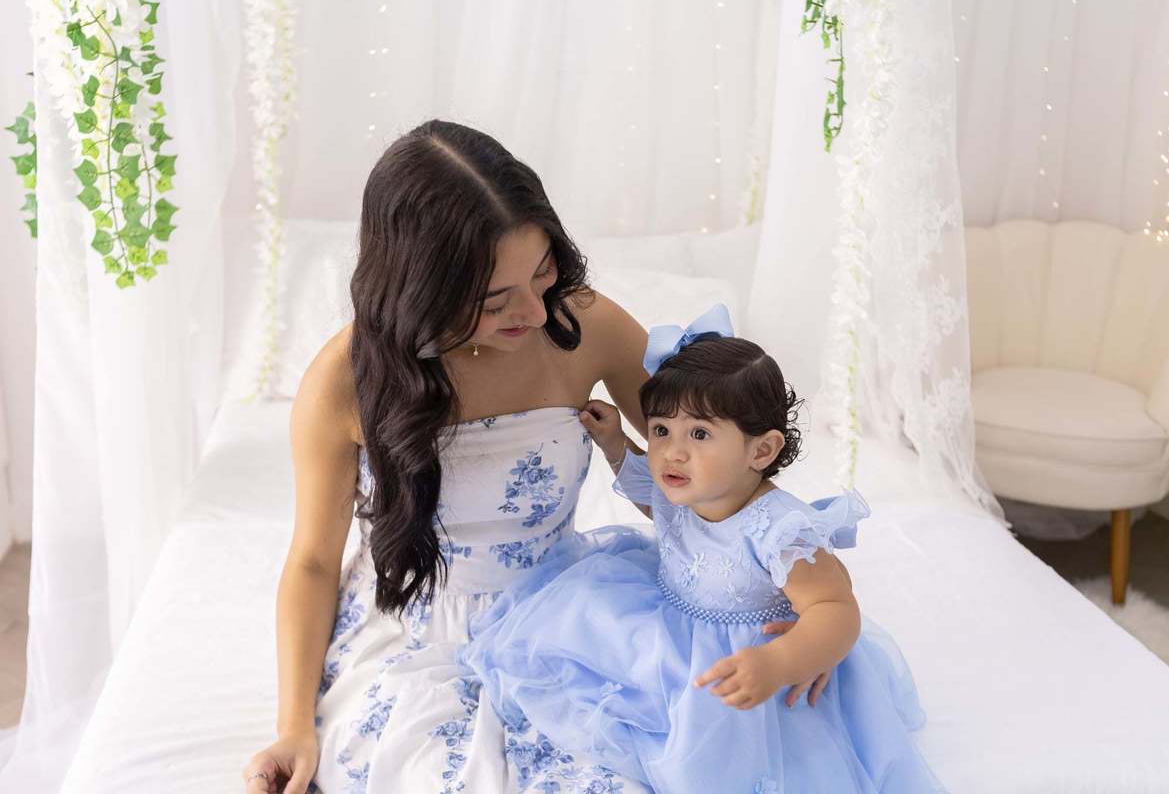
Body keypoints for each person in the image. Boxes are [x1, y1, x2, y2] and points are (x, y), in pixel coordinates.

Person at [241, 119, 659, 793]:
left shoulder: (583, 324)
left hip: (564, 615)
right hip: (417, 634)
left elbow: (710, 468)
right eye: (495, 301)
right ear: (422, 289)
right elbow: (314, 561)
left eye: (542, 271)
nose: (534, 311)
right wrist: (293, 725)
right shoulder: (345, 380)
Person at [459, 305, 944, 793]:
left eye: (700, 434)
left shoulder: (781, 531)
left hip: (746, 662)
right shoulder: (690, 487)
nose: (672, 451)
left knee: (714, 751)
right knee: (577, 636)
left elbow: (834, 606)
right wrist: (615, 444)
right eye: (661, 430)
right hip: (669, 628)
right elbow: (659, 509)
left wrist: (782, 661)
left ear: (761, 450)